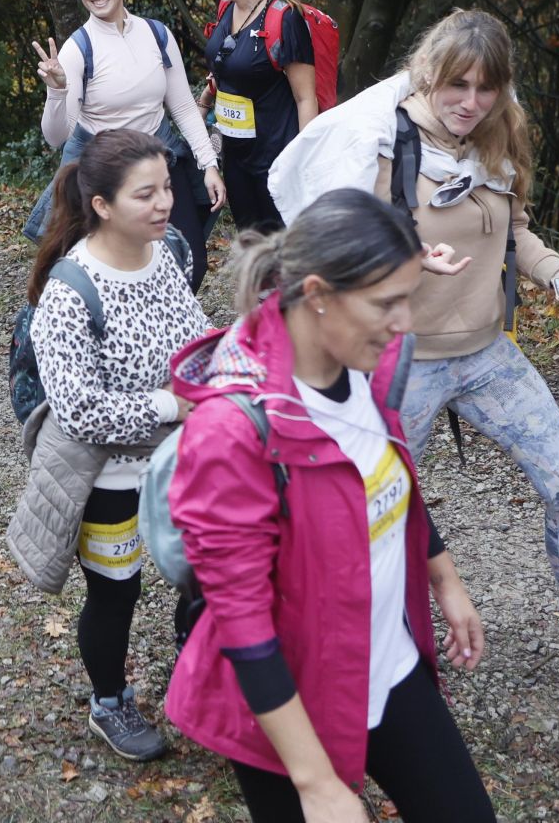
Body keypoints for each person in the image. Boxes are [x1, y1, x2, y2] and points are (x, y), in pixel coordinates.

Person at [167, 188, 493, 822]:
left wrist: (445, 579)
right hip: (289, 706)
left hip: (388, 666)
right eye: (386, 303)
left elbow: (385, 478)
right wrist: (316, 785)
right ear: (316, 294)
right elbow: (242, 618)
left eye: (408, 298)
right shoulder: (234, 430)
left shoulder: (369, 360)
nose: (404, 323)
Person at [268, 10, 559, 593]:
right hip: (402, 361)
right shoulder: (377, 141)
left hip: (486, 354)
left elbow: (515, 230)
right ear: (428, 73)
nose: (471, 102)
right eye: (459, 84)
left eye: (486, 88)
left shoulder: (498, 135)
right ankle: (369, 637)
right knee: (373, 509)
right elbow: (336, 249)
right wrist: (405, 256)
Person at [7, 128, 213, 762]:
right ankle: (110, 701)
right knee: (117, 591)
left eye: (167, 189)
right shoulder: (70, 292)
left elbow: (195, 338)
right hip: (109, 478)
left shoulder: (166, 255)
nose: (164, 204)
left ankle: (201, 667)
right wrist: (167, 406)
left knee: (205, 570)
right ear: (101, 204)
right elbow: (79, 410)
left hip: (180, 461)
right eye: (145, 194)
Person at [30, 0, 225, 289]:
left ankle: (170, 335)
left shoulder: (157, 34)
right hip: (103, 173)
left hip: (160, 159)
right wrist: (57, 90)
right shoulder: (78, 48)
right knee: (108, 274)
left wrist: (209, 164)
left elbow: (181, 107)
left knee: (189, 262)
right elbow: (57, 136)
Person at [201, 0, 319, 233]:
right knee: (251, 244)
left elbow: (306, 98)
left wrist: (301, 162)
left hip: (276, 158)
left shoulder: (285, 17)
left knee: (283, 247)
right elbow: (224, 74)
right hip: (235, 156)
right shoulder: (227, 7)